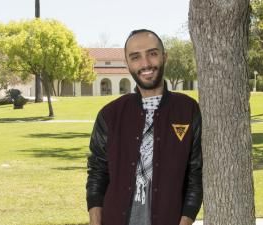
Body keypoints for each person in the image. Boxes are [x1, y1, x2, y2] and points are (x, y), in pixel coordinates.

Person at [86, 29, 203, 225]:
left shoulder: (188, 110)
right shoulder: (110, 115)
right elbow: (97, 172)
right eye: (136, 57)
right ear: (127, 63)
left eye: (152, 53)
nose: (146, 63)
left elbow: (196, 174)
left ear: (164, 57)